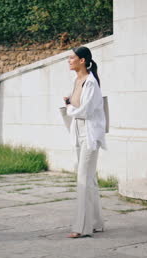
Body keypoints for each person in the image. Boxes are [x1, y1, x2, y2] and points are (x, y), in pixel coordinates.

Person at [64, 46, 106, 238]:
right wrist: (69, 103)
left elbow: (86, 111)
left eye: (72, 57)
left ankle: (82, 227)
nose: (69, 60)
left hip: (89, 135)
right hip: (78, 132)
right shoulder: (76, 80)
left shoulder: (91, 83)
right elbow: (76, 104)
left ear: (82, 60)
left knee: (83, 179)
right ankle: (96, 223)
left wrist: (69, 109)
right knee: (90, 180)